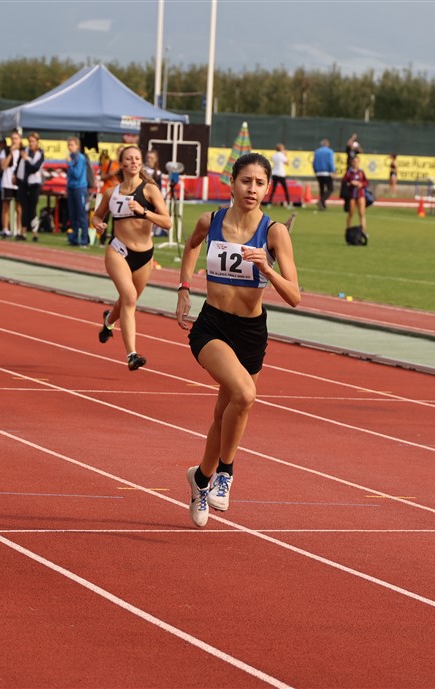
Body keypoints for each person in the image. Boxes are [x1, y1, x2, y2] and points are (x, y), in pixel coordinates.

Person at [174, 152, 300, 527]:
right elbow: (192, 245)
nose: (252, 189)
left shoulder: (274, 232)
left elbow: (295, 296)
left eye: (260, 183)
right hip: (212, 326)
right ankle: (225, 473)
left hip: (250, 332)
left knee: (223, 414)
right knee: (244, 395)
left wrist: (267, 268)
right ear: (232, 182)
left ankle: (200, 479)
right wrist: (184, 287)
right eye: (246, 181)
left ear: (268, 188)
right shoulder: (210, 220)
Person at [92, 144, 170, 371]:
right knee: (129, 297)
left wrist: (144, 211)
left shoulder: (150, 190)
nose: (134, 161)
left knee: (128, 300)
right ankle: (132, 355)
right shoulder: (111, 193)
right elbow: (97, 216)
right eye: (129, 158)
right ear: (122, 163)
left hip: (144, 255)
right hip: (119, 250)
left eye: (137, 158)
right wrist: (98, 224)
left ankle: (109, 320)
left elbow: (167, 222)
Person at [17, 132, 45, 242]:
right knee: (24, 207)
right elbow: (19, 164)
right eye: (30, 141)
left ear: (37, 142)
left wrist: (26, 159)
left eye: (33, 141)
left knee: (32, 208)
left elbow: (34, 168)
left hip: (34, 183)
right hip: (23, 183)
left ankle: (34, 232)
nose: (31, 143)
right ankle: (23, 232)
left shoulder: (40, 153)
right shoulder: (25, 151)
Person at [65, 136, 91, 247]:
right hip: (71, 188)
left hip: (80, 188)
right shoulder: (71, 157)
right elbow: (70, 176)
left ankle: (85, 239)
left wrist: (70, 164)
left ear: (77, 146)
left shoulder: (80, 158)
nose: (70, 147)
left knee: (81, 214)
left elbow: (77, 174)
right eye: (69, 145)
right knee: (73, 214)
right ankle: (74, 238)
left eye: (72, 145)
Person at [0, 131, 24, 238]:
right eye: (13, 139)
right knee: (6, 206)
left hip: (18, 183)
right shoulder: (5, 151)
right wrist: (10, 153)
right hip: (7, 182)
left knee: (19, 207)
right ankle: (5, 229)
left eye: (16, 139)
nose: (14, 141)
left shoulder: (23, 151)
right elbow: (3, 166)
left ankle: (18, 230)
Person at [342, 154, 369, 232]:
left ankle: (363, 230)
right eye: (354, 162)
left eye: (357, 162)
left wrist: (361, 184)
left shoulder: (361, 172)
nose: (356, 163)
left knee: (362, 213)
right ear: (352, 162)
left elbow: (366, 182)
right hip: (352, 195)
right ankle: (348, 228)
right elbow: (344, 182)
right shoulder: (349, 172)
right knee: (351, 213)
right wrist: (351, 183)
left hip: (360, 194)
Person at [312, 139, 335, 210]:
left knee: (321, 189)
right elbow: (330, 162)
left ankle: (322, 205)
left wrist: (315, 170)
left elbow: (314, 162)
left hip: (319, 173)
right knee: (330, 189)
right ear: (327, 144)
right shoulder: (329, 151)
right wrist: (333, 171)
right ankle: (321, 201)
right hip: (326, 172)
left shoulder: (317, 151)